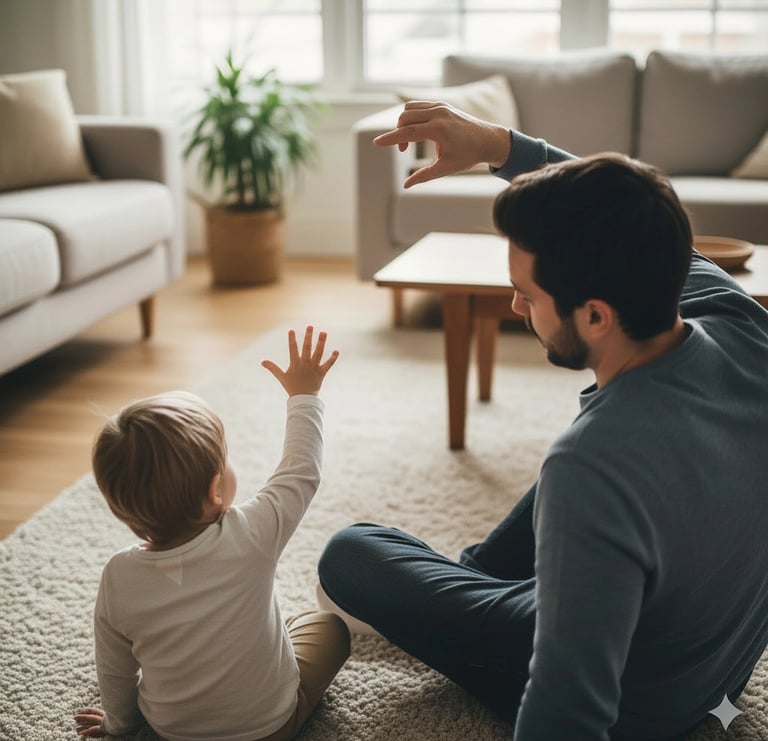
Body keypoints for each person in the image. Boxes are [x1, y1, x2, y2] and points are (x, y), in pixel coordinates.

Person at [317, 102, 768, 740]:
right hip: (721, 670)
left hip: (645, 707)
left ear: (594, 316)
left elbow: (569, 709)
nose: (513, 304)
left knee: (351, 554)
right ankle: (484, 580)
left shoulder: (593, 461)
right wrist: (498, 144)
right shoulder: (738, 316)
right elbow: (623, 208)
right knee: (570, 505)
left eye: (527, 295)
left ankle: (474, 594)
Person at [74, 326, 349, 741]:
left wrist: (119, 726)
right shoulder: (252, 534)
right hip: (269, 728)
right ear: (215, 489)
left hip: (171, 732)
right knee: (328, 627)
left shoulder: (118, 577)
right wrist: (304, 395)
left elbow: (115, 668)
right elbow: (301, 472)